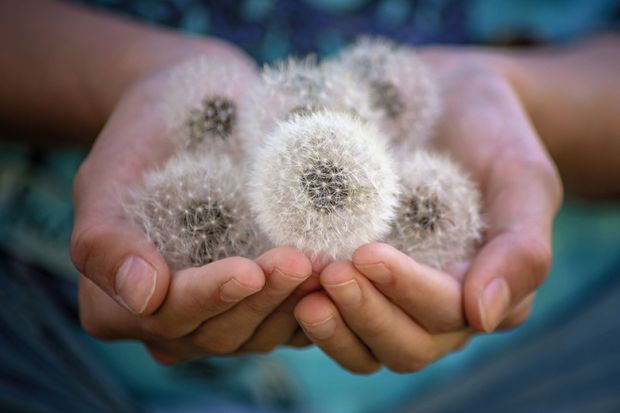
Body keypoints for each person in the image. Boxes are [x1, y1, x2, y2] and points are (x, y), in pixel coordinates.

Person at [0, 0, 618, 411]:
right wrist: (128, 76)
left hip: (543, 348)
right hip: (34, 300)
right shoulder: (240, 154)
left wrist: (520, 95)